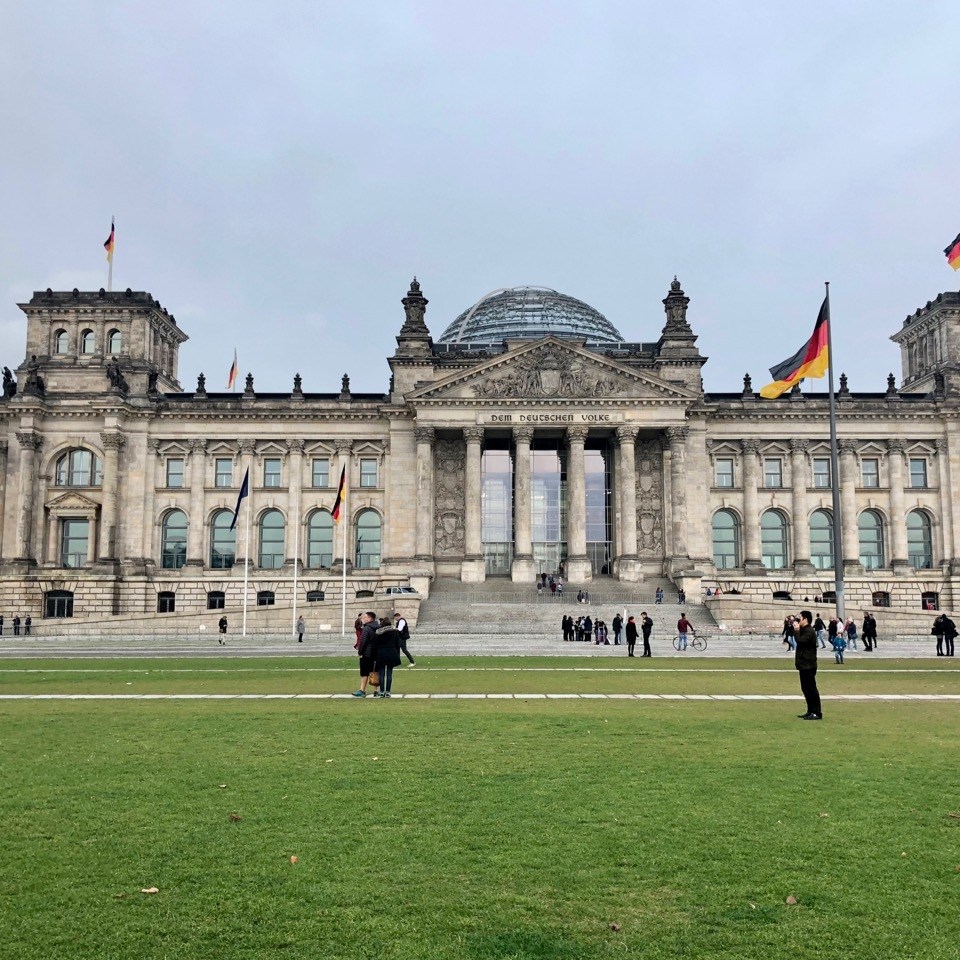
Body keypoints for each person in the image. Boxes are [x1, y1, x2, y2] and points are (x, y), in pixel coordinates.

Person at [795, 609, 822, 720]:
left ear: (805, 619)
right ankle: (810, 710)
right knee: (805, 688)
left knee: (811, 689)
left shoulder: (809, 631)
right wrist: (796, 629)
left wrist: (796, 631)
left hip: (808, 665)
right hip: (803, 664)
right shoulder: (804, 630)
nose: (798, 620)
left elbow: (801, 641)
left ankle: (816, 712)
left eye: (800, 618)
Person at [372, 616, 402, 698]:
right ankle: (388, 691)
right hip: (391, 653)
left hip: (381, 653)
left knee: (381, 674)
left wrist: (374, 656)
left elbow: (375, 645)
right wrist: (397, 654)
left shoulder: (378, 633)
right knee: (389, 673)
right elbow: (397, 644)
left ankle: (381, 691)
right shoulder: (394, 632)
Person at [353, 611, 380, 697]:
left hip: (366, 653)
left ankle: (362, 690)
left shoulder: (367, 629)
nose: (363, 619)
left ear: (369, 618)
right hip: (376, 653)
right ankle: (376, 691)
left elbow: (363, 641)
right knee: (375, 671)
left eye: (364, 617)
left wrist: (360, 652)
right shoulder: (378, 628)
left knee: (364, 673)